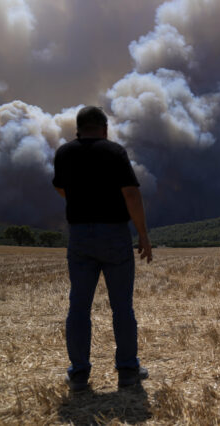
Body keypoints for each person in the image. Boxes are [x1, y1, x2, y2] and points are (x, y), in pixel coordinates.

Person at [53, 106, 152, 391]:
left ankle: (80, 375)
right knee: (122, 307)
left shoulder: (64, 153)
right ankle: (128, 372)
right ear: (105, 128)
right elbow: (131, 193)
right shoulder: (114, 152)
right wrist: (143, 234)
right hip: (114, 235)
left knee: (79, 308)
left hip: (80, 236)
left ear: (77, 129)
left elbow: (61, 189)